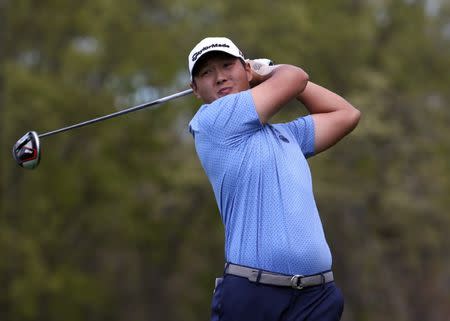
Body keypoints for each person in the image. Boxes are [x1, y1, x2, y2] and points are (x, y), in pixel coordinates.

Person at [187, 37, 361, 321]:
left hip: (317, 298)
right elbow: (296, 77)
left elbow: (346, 114)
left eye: (227, 66)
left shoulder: (287, 135)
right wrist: (266, 71)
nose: (219, 77)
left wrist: (261, 74)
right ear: (195, 89)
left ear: (244, 68)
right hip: (255, 296)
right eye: (206, 72)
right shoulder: (212, 121)